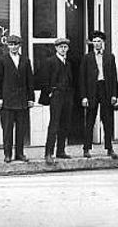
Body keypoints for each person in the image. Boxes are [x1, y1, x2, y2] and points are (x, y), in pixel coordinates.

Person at [0, 35, 35, 163]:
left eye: (16, 44)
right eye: (11, 44)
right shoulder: (2, 60)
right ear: (7, 46)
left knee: (21, 129)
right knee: (7, 129)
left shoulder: (25, 60)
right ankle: (7, 154)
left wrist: (30, 98)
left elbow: (30, 80)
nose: (13, 47)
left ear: (19, 45)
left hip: (22, 101)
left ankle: (20, 153)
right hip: (7, 101)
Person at [79, 30, 118, 159]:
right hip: (92, 90)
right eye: (94, 41)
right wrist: (84, 96)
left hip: (105, 89)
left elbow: (114, 77)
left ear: (103, 43)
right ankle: (86, 148)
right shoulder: (87, 57)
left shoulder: (110, 57)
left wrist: (114, 95)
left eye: (99, 41)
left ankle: (109, 148)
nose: (97, 44)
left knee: (107, 120)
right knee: (90, 120)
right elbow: (82, 78)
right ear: (92, 43)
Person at [38, 37, 75, 165]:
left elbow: (71, 80)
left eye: (65, 47)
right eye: (61, 47)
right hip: (56, 95)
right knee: (54, 124)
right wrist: (50, 92)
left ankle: (61, 151)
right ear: (56, 48)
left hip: (67, 96)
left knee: (65, 124)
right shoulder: (50, 61)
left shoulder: (68, 63)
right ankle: (48, 153)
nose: (63, 49)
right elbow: (44, 79)